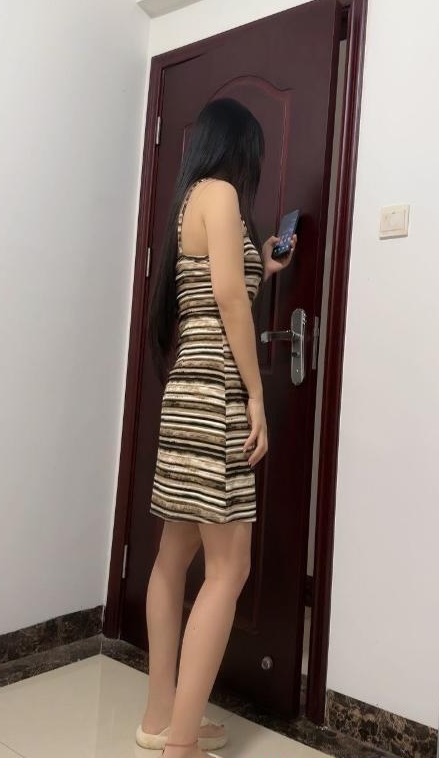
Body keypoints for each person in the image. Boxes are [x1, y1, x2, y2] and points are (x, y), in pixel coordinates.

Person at [136, 98, 296, 758]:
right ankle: (181, 745)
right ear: (237, 148)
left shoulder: (189, 201)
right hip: (217, 387)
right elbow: (229, 298)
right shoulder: (225, 193)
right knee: (229, 567)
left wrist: (265, 262)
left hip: (186, 386)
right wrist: (256, 395)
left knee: (173, 555)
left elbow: (221, 283)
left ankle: (160, 719)